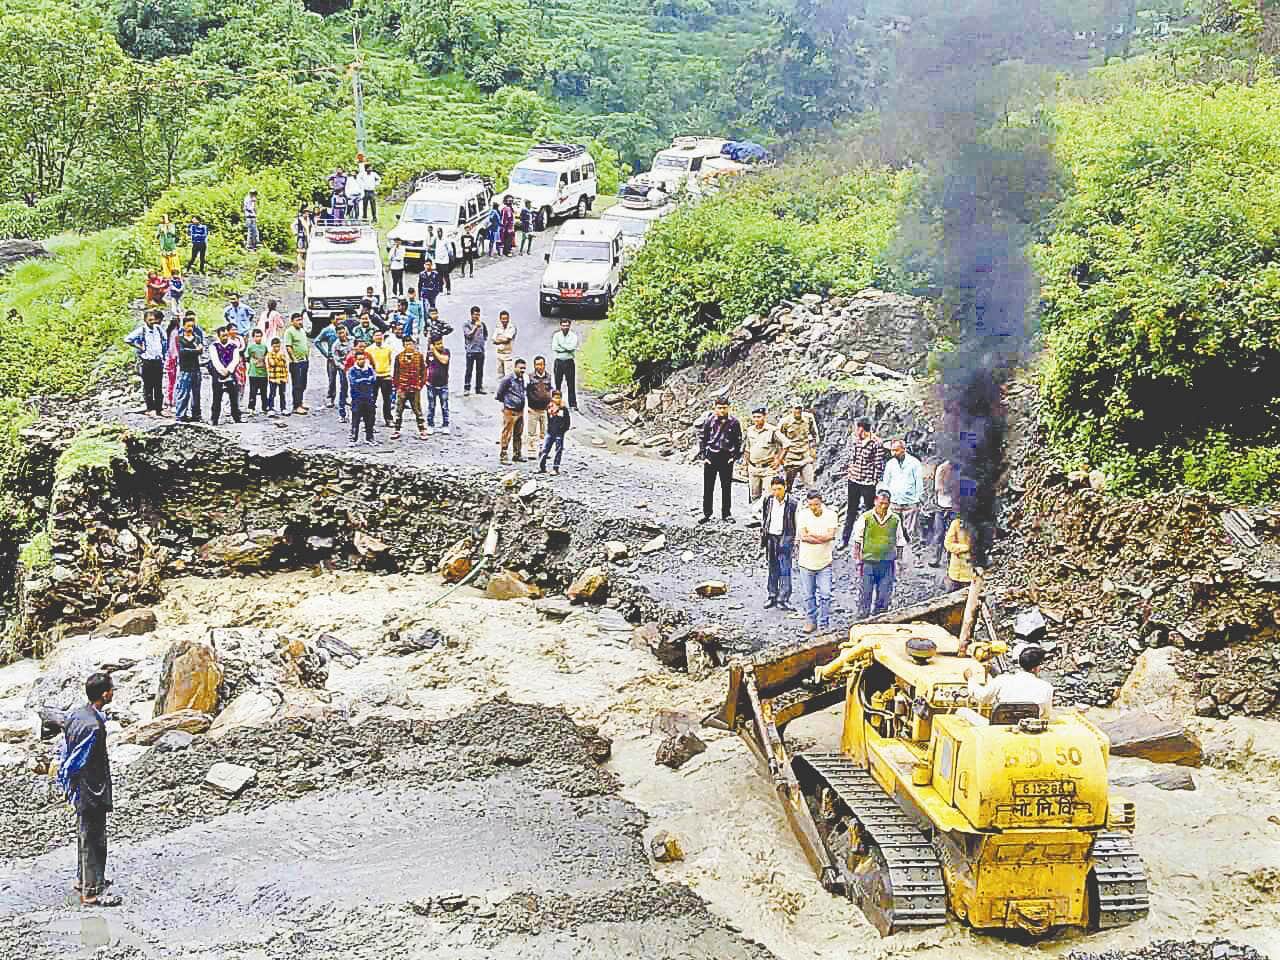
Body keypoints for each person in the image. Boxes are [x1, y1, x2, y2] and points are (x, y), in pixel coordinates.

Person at [60, 672, 119, 907]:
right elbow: (77, 760)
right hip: (91, 788)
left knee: (86, 835)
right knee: (93, 838)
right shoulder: (94, 726)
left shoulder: (77, 715)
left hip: (82, 788)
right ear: (105, 694)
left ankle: (83, 880)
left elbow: (66, 749)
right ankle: (90, 892)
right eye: (112, 689)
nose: (113, 693)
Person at [850, 487, 907, 618]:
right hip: (868, 562)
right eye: (881, 503)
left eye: (886, 504)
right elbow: (857, 540)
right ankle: (862, 620)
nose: (883, 506)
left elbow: (900, 541)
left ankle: (879, 620)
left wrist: (899, 561)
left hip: (887, 563)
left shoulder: (895, 519)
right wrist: (858, 559)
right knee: (865, 594)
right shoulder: (866, 518)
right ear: (875, 501)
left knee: (884, 595)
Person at [965, 646, 1054, 719]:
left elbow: (982, 696)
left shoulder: (1002, 680)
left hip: (1002, 729)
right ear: (1036, 668)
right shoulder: (1047, 687)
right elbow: (1046, 715)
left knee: (963, 712)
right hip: (1030, 730)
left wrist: (970, 679)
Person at [795, 489, 838, 635]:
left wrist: (813, 535)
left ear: (821, 503)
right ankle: (811, 620)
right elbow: (803, 536)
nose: (814, 508)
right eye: (811, 505)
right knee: (809, 594)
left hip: (824, 562)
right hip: (806, 562)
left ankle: (824, 622)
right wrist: (821, 537)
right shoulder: (803, 514)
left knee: (825, 594)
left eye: (816, 505)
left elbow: (830, 536)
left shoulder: (831, 515)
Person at [840, 417, 886, 550]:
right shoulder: (855, 441)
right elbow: (852, 459)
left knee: (870, 512)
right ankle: (844, 539)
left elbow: (878, 465)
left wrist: (874, 481)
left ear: (861, 428)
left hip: (867, 484)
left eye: (856, 428)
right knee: (851, 511)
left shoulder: (876, 443)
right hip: (853, 481)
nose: (855, 431)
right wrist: (850, 471)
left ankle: (869, 542)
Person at [698, 396, 743, 524]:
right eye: (719, 408)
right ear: (715, 407)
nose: (722, 410)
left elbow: (738, 440)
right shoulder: (709, 420)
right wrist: (704, 456)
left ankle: (726, 514)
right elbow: (703, 438)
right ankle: (707, 513)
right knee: (708, 487)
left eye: (724, 408)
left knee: (726, 487)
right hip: (711, 458)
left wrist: (734, 457)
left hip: (726, 458)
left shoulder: (734, 422)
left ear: (728, 407)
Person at [760, 475, 797, 611]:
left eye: (779, 489)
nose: (777, 493)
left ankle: (784, 598)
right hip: (771, 538)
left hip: (784, 538)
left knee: (785, 569)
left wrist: (791, 539)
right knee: (772, 567)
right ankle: (772, 595)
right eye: (774, 489)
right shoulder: (768, 500)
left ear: (785, 488)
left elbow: (795, 522)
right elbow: (765, 517)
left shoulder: (792, 503)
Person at [882, 438, 923, 548]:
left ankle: (916, 556)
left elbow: (919, 483)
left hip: (910, 503)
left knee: (912, 531)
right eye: (892, 450)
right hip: (894, 502)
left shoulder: (914, 463)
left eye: (896, 450)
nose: (893, 453)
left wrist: (917, 500)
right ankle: (894, 556)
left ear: (903, 449)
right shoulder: (890, 464)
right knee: (892, 530)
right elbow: (886, 482)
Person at [125, 309, 167, 418]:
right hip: (147, 361)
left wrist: (163, 353)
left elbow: (164, 340)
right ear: (145, 320)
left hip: (158, 361)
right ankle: (150, 409)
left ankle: (159, 409)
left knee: (158, 386)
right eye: (150, 319)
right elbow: (128, 339)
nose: (152, 321)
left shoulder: (158, 329)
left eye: (154, 319)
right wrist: (140, 347)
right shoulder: (141, 330)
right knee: (148, 386)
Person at [743, 407, 788, 502]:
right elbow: (747, 449)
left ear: (765, 417)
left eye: (759, 417)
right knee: (754, 496)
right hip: (753, 468)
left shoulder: (772, 430)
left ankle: (768, 516)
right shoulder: (750, 430)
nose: (756, 419)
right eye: (754, 417)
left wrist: (778, 460)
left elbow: (786, 444)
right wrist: (745, 465)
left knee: (769, 496)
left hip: (768, 469)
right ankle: (755, 516)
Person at [778, 401, 820, 492]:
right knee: (788, 487)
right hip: (791, 458)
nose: (798, 411)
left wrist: (813, 448)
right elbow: (778, 440)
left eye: (800, 408)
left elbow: (815, 435)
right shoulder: (784, 422)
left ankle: (811, 503)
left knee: (810, 485)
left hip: (805, 456)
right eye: (796, 408)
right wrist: (780, 458)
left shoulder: (808, 418)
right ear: (791, 409)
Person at [391, 337, 428, 440]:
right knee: (399, 410)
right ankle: (396, 430)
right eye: (407, 344)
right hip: (402, 388)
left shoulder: (419, 356)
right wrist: (397, 387)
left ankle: (422, 430)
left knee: (417, 410)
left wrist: (421, 385)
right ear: (404, 345)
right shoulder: (399, 357)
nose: (409, 346)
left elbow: (424, 372)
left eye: (411, 344)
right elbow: (396, 373)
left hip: (415, 388)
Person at [207, 325, 243, 425]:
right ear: (219, 336)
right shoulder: (214, 346)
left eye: (226, 335)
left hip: (231, 373)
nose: (225, 337)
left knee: (234, 397)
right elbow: (215, 360)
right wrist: (222, 371)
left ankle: (236, 417)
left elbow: (235, 359)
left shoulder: (233, 346)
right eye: (223, 336)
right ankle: (214, 419)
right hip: (218, 374)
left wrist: (229, 370)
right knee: (216, 398)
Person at [495, 358, 527, 464]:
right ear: (515, 367)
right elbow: (499, 394)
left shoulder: (522, 379)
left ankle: (517, 454)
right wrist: (507, 404)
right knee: (507, 433)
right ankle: (503, 455)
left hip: (520, 410)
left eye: (524, 368)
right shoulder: (508, 379)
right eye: (520, 368)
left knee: (518, 433)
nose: (522, 370)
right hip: (510, 410)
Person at [173, 318, 205, 422]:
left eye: (192, 326)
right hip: (185, 369)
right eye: (188, 326)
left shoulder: (197, 338)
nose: (190, 328)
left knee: (196, 394)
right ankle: (181, 414)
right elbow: (182, 352)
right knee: (183, 393)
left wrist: (195, 351)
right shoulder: (179, 338)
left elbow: (201, 350)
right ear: (183, 326)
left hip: (196, 369)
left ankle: (196, 415)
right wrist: (195, 350)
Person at [931, 459, 958, 569]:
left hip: (955, 507)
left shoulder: (960, 469)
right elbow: (939, 488)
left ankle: (950, 560)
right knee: (939, 533)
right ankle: (936, 558)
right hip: (941, 506)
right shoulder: (942, 468)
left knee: (953, 535)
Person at [348, 350, 378, 445]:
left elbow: (374, 379)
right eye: (359, 359)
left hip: (369, 397)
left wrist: (362, 381)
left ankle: (370, 437)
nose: (361, 361)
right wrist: (365, 380)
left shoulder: (369, 369)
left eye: (363, 359)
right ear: (356, 360)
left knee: (370, 418)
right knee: (355, 418)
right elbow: (354, 382)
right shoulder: (352, 370)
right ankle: (353, 437)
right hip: (357, 398)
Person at [524, 355, 552, 457]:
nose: (539, 367)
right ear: (534, 365)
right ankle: (531, 451)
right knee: (532, 432)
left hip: (545, 410)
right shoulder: (529, 377)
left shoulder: (549, 377)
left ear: (544, 365)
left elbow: (551, 390)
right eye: (537, 364)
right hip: (533, 409)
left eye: (541, 364)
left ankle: (544, 451)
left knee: (544, 432)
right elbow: (525, 390)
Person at [284, 313, 310, 415]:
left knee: (303, 383)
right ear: (292, 321)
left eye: (301, 320)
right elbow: (288, 346)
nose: (300, 322)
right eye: (297, 320)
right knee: (297, 384)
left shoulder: (302, 330)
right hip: (296, 362)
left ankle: (301, 402)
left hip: (304, 360)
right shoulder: (289, 332)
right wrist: (294, 359)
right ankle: (296, 406)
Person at [367, 329, 394, 426]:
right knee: (372, 399)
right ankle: (370, 419)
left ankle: (388, 419)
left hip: (386, 376)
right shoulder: (369, 350)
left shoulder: (388, 348)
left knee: (387, 399)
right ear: (373, 337)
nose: (378, 337)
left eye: (380, 335)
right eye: (376, 335)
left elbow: (391, 361)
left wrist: (390, 374)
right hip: (374, 376)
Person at [942, 514, 976, 592]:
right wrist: (966, 547)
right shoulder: (956, 523)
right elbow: (948, 544)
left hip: (971, 574)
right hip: (956, 571)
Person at [550, 317, 579, 410]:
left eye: (567, 325)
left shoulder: (573, 336)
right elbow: (555, 347)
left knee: (571, 384)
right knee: (557, 384)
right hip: (559, 362)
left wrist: (561, 346)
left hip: (569, 361)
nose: (565, 327)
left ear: (570, 326)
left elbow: (572, 348)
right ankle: (557, 403)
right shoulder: (556, 335)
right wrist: (566, 348)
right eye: (563, 325)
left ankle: (573, 404)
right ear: (560, 326)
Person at [539, 392, 570, 474]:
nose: (557, 399)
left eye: (559, 397)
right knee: (545, 449)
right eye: (555, 397)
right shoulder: (549, 408)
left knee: (558, 450)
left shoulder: (563, 409)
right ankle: (542, 467)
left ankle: (555, 468)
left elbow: (567, 422)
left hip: (559, 433)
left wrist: (562, 430)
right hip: (550, 432)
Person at [426, 336, 451, 435]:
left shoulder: (446, 351)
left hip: (443, 384)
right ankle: (430, 425)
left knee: (444, 406)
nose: (440, 345)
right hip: (431, 384)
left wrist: (434, 351)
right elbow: (427, 365)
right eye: (438, 344)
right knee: (431, 406)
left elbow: (444, 361)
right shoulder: (429, 354)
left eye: (441, 343)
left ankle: (445, 425)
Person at [330, 324, 355, 423]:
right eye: (339, 333)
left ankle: (356, 413)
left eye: (343, 332)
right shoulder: (336, 345)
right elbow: (336, 361)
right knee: (344, 389)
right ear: (337, 334)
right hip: (343, 369)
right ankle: (342, 413)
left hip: (354, 368)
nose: (342, 335)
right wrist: (344, 368)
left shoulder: (352, 340)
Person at [244, 328, 269, 414]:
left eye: (260, 336)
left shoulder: (264, 347)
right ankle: (251, 407)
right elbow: (247, 357)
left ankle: (265, 407)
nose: (258, 338)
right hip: (253, 373)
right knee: (253, 391)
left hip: (263, 373)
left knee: (264, 391)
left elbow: (267, 356)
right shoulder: (251, 347)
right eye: (256, 336)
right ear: (253, 337)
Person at [463, 305, 487, 395]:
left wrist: (482, 344)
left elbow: (485, 335)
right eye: (475, 314)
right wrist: (475, 328)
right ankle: (467, 387)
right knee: (469, 370)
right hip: (470, 351)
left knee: (480, 371)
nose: (476, 316)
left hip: (480, 351)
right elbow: (468, 335)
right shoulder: (466, 324)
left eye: (478, 314)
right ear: (471, 315)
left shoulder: (482, 324)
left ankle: (479, 387)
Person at [265, 337, 289, 415]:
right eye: (275, 346)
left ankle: (283, 408)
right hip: (273, 377)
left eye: (278, 346)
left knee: (282, 393)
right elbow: (272, 363)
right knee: (272, 393)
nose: (277, 348)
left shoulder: (282, 354)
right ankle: (271, 408)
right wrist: (279, 357)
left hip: (282, 377)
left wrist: (286, 377)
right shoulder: (270, 354)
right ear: (272, 346)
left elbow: (285, 363)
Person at [493, 310, 517, 379]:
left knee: (508, 376)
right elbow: (494, 340)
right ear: (500, 319)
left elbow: (507, 340)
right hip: (499, 354)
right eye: (503, 319)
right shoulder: (498, 327)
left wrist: (499, 340)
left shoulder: (512, 327)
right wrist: (502, 340)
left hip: (508, 355)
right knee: (499, 376)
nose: (505, 320)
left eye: (506, 319)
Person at [163, 314, 180, 409]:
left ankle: (169, 398)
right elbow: (174, 348)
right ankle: (171, 399)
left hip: (170, 359)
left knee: (170, 380)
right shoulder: (176, 333)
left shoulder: (169, 332)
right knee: (174, 380)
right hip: (174, 359)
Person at [433, 228, 454, 295]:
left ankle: (448, 289)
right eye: (437, 232)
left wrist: (451, 257)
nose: (439, 233)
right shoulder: (436, 240)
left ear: (442, 232)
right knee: (439, 276)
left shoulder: (446, 240)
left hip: (445, 261)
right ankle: (440, 289)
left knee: (446, 275)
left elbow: (450, 250)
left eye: (440, 232)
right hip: (438, 260)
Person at [293, 204, 310, 275]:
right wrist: (295, 233)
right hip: (301, 237)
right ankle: (300, 269)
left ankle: (305, 268)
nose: (307, 213)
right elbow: (293, 225)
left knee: (306, 253)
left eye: (308, 212)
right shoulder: (299, 219)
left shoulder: (309, 219)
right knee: (300, 252)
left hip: (306, 237)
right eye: (306, 212)